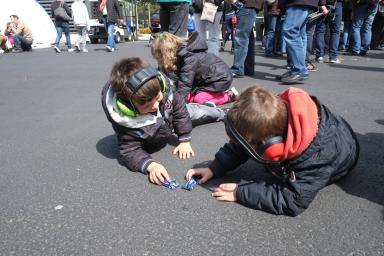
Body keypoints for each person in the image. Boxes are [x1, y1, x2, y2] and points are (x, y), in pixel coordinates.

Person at [185, 86, 359, 216]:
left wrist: (242, 192)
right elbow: (241, 147)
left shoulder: (316, 158)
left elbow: (293, 200)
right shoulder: (271, 118)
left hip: (344, 150)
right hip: (327, 128)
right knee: (251, 140)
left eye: (248, 145)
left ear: (272, 148)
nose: (237, 145)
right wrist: (215, 167)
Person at [101, 57, 225, 185]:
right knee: (193, 111)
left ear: (161, 83)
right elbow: (129, 150)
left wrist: (184, 138)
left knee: (197, 112)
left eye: (157, 97)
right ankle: (209, 106)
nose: (154, 105)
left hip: (171, 115)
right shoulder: (125, 121)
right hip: (154, 128)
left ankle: (222, 112)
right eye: (147, 105)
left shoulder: (166, 92)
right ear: (128, 107)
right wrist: (150, 165)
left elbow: (180, 114)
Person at [151, 31, 237, 106]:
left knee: (198, 99)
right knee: (186, 96)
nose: (159, 61)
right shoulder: (179, 55)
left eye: (160, 59)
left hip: (220, 79)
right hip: (206, 79)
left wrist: (179, 105)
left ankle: (228, 95)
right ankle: (213, 95)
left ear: (166, 54)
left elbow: (185, 84)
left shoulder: (189, 58)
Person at [278, 0, 326, 84]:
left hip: (298, 2)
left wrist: (322, 3)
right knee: (300, 34)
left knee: (291, 32)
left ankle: (299, 70)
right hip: (302, 2)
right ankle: (299, 69)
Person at [230, 0, 263, 78]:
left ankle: (237, 69)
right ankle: (247, 69)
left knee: (241, 38)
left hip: (246, 5)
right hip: (249, 6)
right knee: (247, 39)